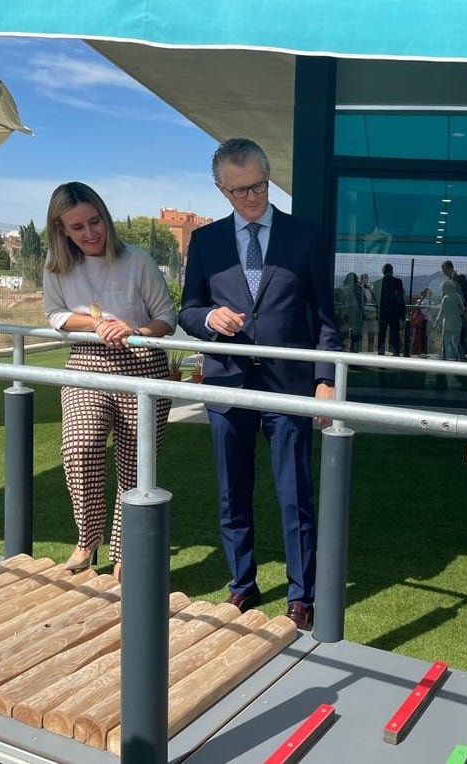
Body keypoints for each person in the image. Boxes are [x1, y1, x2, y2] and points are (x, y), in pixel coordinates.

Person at [178, 137, 341, 630]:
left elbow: (324, 319)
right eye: (240, 189)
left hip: (288, 386)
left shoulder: (305, 235)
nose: (252, 197)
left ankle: (301, 594)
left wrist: (325, 379)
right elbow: (186, 310)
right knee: (233, 492)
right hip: (227, 385)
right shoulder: (205, 243)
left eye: (259, 186)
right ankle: (241, 585)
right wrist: (210, 318)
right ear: (220, 189)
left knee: (295, 493)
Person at [43, 181, 176, 580]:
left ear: (106, 218)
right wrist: (100, 322)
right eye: (77, 227)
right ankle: (88, 538)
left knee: (135, 467)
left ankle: (124, 553)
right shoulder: (56, 265)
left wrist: (133, 330)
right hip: (86, 363)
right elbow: (56, 315)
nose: (89, 233)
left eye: (95, 221)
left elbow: (166, 318)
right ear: (61, 230)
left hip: (142, 364)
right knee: (79, 448)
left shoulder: (136, 259)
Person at [441, 259, 467, 356]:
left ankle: (460, 355)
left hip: (459, 311)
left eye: (444, 270)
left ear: (449, 269)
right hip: (452, 313)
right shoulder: (449, 280)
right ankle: (454, 354)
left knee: (459, 334)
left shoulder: (460, 278)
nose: (444, 273)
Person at [374, 263, 406, 355]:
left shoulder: (377, 283)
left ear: (383, 272)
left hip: (382, 312)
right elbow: (401, 299)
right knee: (394, 333)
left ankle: (381, 350)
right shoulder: (398, 282)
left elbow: (375, 299)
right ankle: (395, 351)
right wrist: (402, 314)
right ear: (392, 271)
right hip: (394, 313)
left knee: (382, 333)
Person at [433, 280, 465, 361]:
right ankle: (460, 356)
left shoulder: (445, 298)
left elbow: (441, 312)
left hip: (447, 322)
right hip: (457, 322)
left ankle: (444, 357)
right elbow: (462, 308)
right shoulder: (458, 296)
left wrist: (436, 322)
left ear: (446, 289)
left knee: (445, 341)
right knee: (456, 341)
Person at [340, 272, 362, 352]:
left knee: (346, 332)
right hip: (356, 313)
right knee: (355, 333)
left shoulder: (344, 288)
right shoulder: (359, 288)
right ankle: (354, 350)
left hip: (346, 312)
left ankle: (346, 349)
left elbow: (343, 301)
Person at [358, 273, 378, 352]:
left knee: (371, 331)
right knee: (361, 331)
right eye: (365, 279)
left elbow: (373, 300)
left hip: (371, 311)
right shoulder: (360, 289)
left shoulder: (369, 289)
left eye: (367, 278)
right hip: (364, 312)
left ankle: (370, 349)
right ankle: (359, 349)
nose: (367, 280)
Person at [410, 287, 430, 356]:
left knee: (420, 334)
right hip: (421, 319)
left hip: (421, 319)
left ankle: (420, 350)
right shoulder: (423, 301)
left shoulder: (422, 301)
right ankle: (420, 350)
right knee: (421, 334)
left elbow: (419, 308)